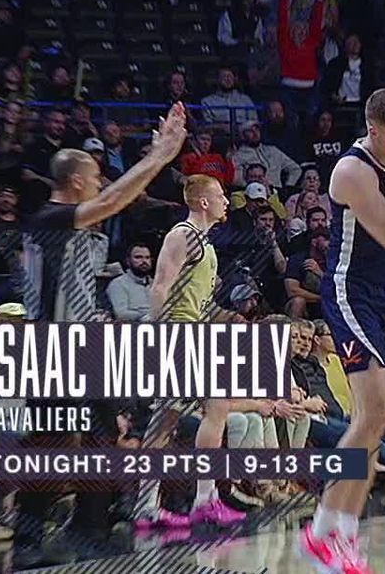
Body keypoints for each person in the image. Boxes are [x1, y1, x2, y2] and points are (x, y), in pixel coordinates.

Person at [16, 102, 186, 563]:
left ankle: (91, 524)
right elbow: (114, 201)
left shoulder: (78, 231)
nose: (99, 183)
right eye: (94, 176)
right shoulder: (50, 219)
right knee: (52, 444)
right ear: (75, 182)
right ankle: (27, 537)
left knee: (108, 431)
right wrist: (159, 156)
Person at [300, 88, 385, 573]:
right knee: (373, 410)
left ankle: (345, 531)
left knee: (379, 420)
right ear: (374, 130)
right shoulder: (351, 170)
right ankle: (320, 528)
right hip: (350, 291)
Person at [134, 174, 243, 529]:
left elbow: (196, 301)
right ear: (202, 202)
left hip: (192, 329)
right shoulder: (182, 235)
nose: (227, 200)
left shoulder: (206, 246)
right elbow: (160, 287)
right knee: (216, 405)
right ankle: (203, 499)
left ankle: (149, 506)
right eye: (221, 195)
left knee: (164, 424)